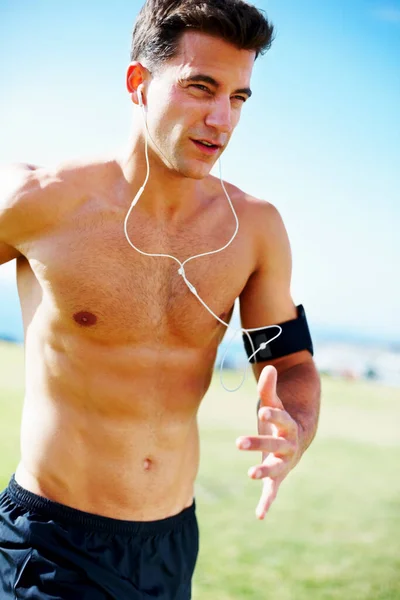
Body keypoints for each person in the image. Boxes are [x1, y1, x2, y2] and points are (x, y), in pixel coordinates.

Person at [0, 0, 321, 598]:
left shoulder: (254, 229)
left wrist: (293, 431)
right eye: (201, 88)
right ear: (139, 83)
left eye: (238, 98)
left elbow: (291, 365)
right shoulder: (38, 200)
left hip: (169, 544)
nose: (221, 119)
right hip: (49, 541)